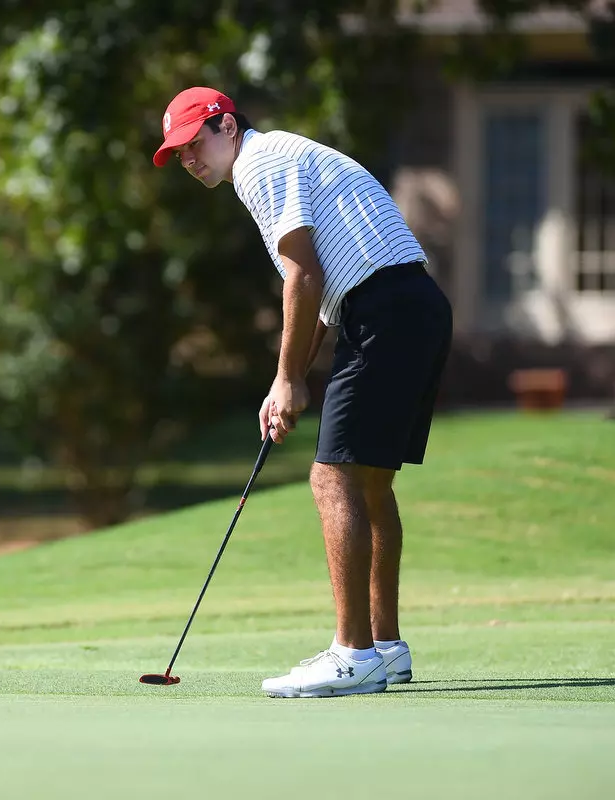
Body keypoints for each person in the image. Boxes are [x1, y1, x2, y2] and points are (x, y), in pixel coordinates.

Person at [152, 86, 454, 698]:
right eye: (177, 153)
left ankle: (353, 654)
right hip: (414, 306)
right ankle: (385, 646)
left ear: (227, 127)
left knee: (330, 476)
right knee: (369, 481)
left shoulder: (260, 165)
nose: (188, 160)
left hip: (383, 311)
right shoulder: (284, 156)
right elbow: (316, 290)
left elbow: (303, 273)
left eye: (193, 144)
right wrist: (287, 378)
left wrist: (289, 378)